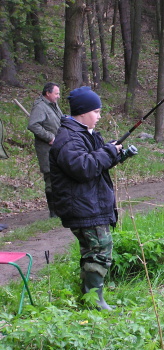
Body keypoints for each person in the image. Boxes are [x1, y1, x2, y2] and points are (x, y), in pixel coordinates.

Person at [49, 86, 125, 311]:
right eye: (97, 111)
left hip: (90, 203)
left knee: (94, 250)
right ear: (83, 112)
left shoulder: (84, 134)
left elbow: (96, 162)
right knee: (100, 250)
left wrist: (117, 154)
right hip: (83, 206)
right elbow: (83, 167)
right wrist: (108, 152)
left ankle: (89, 297)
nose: (99, 116)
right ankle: (95, 302)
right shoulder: (70, 137)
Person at [27, 82, 63, 217]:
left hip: (57, 148)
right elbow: (33, 125)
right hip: (46, 149)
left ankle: (60, 209)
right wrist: (49, 137)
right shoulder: (40, 107)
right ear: (48, 93)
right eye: (56, 93)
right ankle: (54, 212)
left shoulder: (52, 105)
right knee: (50, 178)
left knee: (58, 177)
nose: (58, 96)